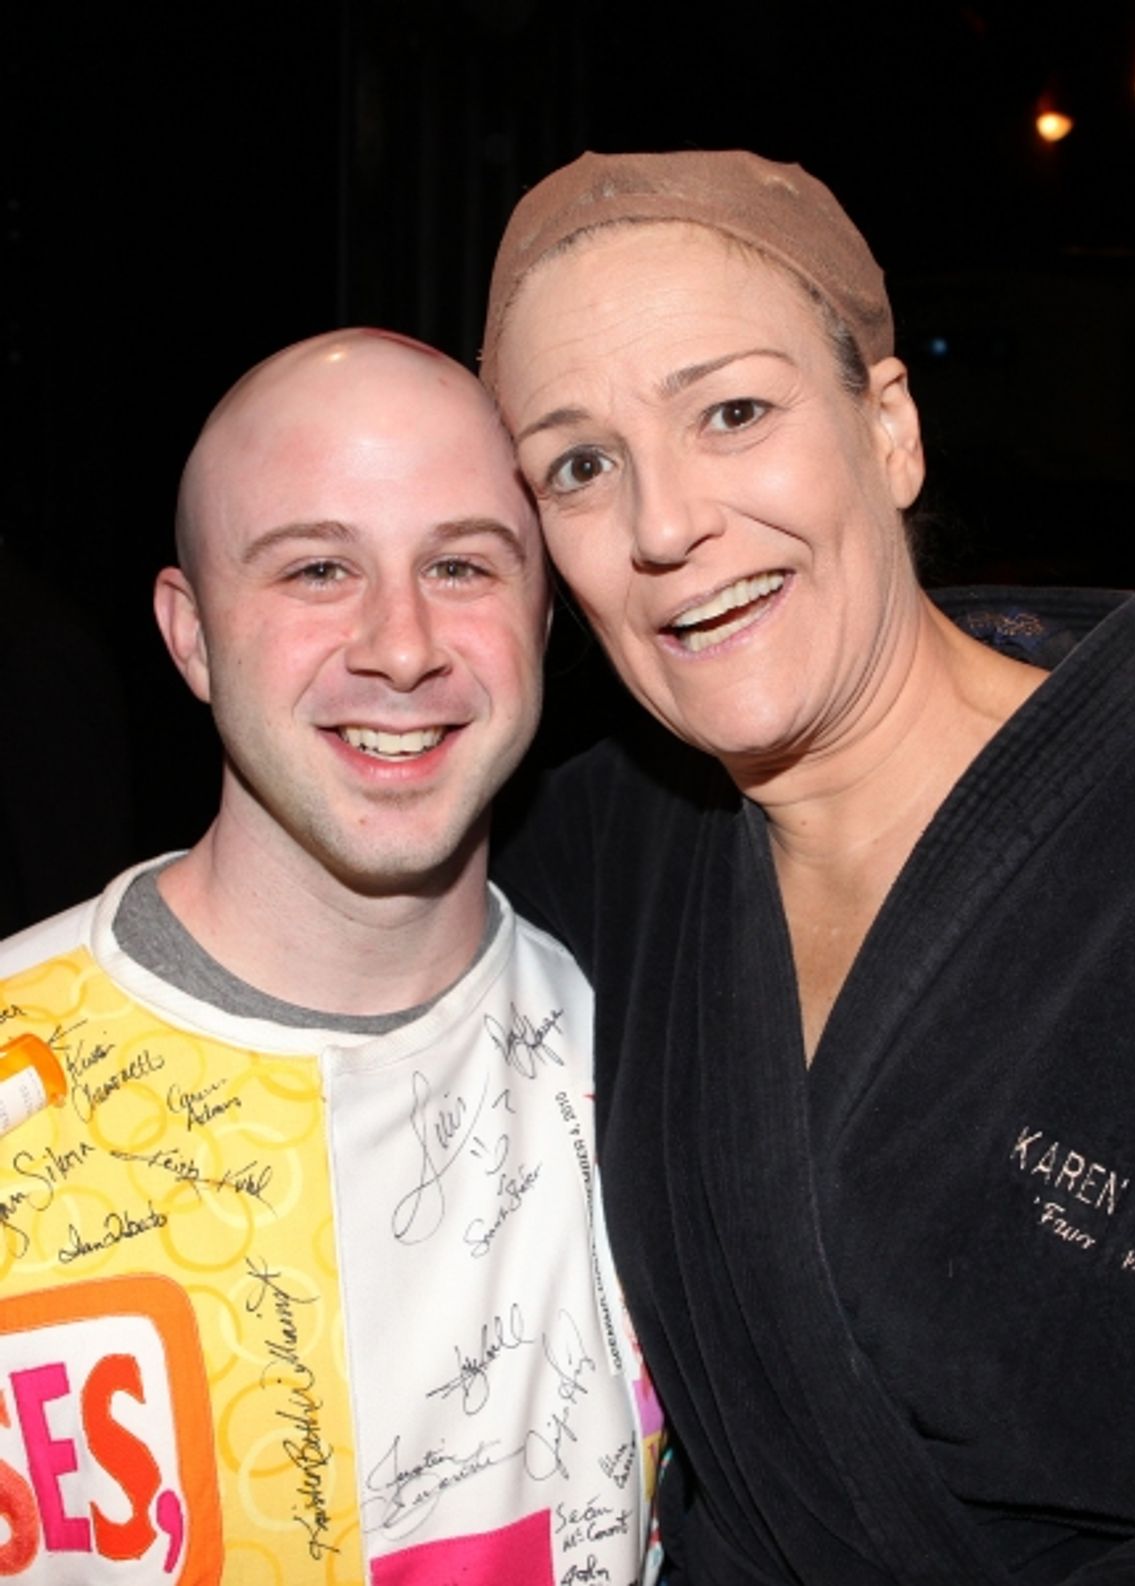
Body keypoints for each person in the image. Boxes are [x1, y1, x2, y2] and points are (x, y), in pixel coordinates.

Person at [479, 149, 1135, 1584]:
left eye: (733, 412)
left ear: (890, 430)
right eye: (580, 464)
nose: (667, 524)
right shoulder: (593, 853)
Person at [0, 329, 660, 1585]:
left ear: (542, 611)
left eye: (462, 564)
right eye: (316, 569)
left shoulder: (654, 1065)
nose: (401, 647)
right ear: (191, 637)